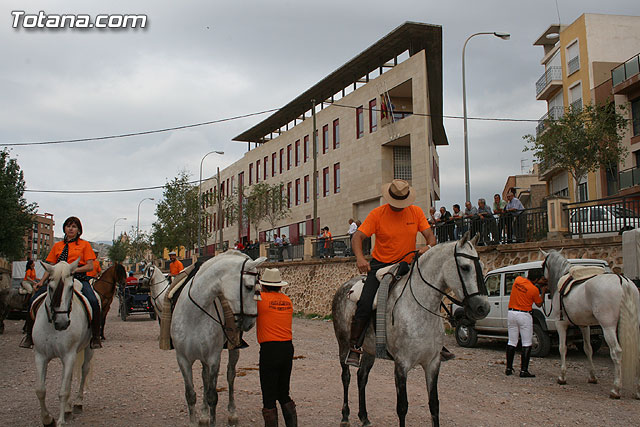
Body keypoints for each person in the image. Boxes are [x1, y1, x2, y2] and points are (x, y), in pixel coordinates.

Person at [346, 179, 441, 367]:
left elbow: (431, 238)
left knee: (429, 296)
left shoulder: (416, 212)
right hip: (380, 266)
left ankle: (434, 342)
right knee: (365, 302)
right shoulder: (377, 214)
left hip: (407, 266)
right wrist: (360, 258)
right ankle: (355, 346)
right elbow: (358, 236)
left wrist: (428, 247)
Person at [20, 216, 102, 349]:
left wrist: (72, 270)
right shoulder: (57, 246)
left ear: (79, 230)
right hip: (57, 278)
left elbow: (90, 266)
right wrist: (41, 281)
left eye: (74, 226)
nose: (71, 229)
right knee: (33, 300)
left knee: (93, 301)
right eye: (68, 226)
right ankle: (29, 335)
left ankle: (96, 336)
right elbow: (51, 266)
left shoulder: (85, 245)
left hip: (78, 278)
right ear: (64, 228)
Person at [256, 268, 297, 427]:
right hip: (287, 348)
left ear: (263, 286)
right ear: (280, 286)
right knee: (283, 392)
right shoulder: (287, 300)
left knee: (269, 396)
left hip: (269, 349)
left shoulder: (260, 299)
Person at [505, 272, 548, 377]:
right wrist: (543, 292)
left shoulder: (518, 280)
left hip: (511, 313)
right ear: (536, 280)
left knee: (512, 341)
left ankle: (509, 368)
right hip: (524, 315)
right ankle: (524, 370)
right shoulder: (534, 289)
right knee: (526, 342)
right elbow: (539, 304)